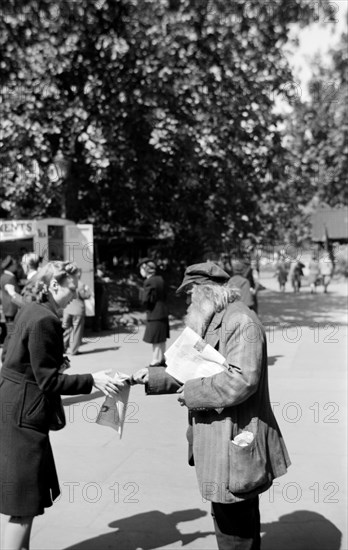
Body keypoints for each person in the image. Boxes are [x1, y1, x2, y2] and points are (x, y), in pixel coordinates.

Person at [132, 261, 290, 550]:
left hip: (234, 439)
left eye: (190, 293)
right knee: (228, 521)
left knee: (236, 533)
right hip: (218, 439)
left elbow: (240, 381)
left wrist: (190, 393)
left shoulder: (240, 321)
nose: (187, 302)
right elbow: (190, 368)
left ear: (205, 290)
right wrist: (151, 377)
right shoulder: (212, 319)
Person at [0, 260, 124, 550]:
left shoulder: (30, 310)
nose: (76, 293)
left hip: (14, 404)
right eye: (72, 287)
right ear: (53, 285)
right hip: (24, 413)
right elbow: (49, 381)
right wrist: (93, 379)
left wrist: (55, 363)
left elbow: (14, 356)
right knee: (24, 505)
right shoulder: (46, 319)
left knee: (24, 502)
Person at [139, 258, 170, 366]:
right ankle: (162, 358)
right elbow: (165, 295)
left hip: (154, 313)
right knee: (161, 338)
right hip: (163, 311)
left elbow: (145, 299)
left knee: (156, 338)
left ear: (145, 269)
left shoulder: (149, 281)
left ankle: (155, 360)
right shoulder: (160, 279)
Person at [62, 268, 91, 355]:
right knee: (76, 331)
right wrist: (88, 291)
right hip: (78, 311)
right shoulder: (81, 285)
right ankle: (74, 350)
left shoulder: (67, 284)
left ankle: (62, 348)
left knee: (66, 329)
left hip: (67, 309)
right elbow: (85, 296)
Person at [0, 256, 20, 338]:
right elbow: (12, 293)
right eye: (14, 264)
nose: (16, 266)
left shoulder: (3, 276)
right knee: (11, 333)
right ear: (10, 266)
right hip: (12, 309)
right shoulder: (9, 278)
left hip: (7, 308)